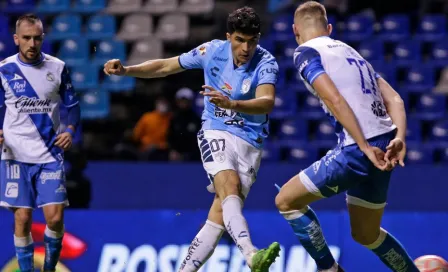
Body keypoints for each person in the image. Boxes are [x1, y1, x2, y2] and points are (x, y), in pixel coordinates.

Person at [104, 6, 280, 272]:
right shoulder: (211, 51)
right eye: (240, 40)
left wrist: (232, 103)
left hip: (250, 142)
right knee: (229, 185)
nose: (246, 47)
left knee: (220, 214)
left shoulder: (266, 63)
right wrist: (127, 70)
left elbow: (267, 102)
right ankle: (251, 254)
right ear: (228, 36)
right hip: (215, 131)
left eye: (252, 41)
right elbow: (165, 65)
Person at [274, 2, 419, 272]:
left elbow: (334, 98)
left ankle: (329, 269)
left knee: (286, 200)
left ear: (295, 30)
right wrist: (400, 137)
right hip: (387, 144)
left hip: (360, 150)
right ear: (329, 28)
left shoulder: (305, 52)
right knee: (366, 234)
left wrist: (363, 146)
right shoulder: (352, 52)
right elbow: (396, 100)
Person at [0, 14, 80, 272]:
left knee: (55, 219)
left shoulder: (58, 67)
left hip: (49, 153)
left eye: (37, 38)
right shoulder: (4, 69)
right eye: (26, 38)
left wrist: (69, 129)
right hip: (15, 154)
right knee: (22, 218)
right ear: (16, 39)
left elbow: (72, 106)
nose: (32, 43)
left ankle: (48, 269)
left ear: (43, 38)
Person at [167, 87, 201, 161]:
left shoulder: (196, 118)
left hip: (193, 155)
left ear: (190, 101)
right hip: (176, 154)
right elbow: (170, 136)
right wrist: (172, 150)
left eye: (185, 101)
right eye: (181, 100)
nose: (183, 103)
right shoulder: (174, 118)